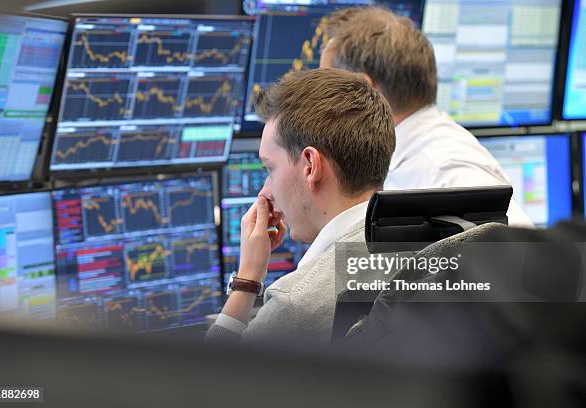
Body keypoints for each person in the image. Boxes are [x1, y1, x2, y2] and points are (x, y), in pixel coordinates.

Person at [206, 68, 396, 343]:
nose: (265, 192)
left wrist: (247, 280)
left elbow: (209, 380)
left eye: (269, 169)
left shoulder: (297, 305)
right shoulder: (435, 250)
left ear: (310, 166)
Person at [320, 6, 533, 227]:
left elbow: (525, 256)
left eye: (328, 87)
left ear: (364, 90)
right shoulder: (411, 159)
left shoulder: (444, 171)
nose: (321, 100)